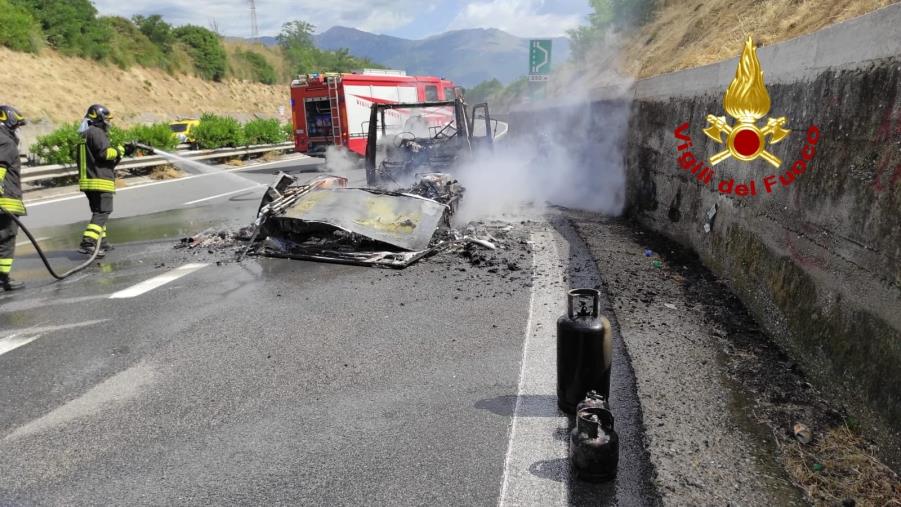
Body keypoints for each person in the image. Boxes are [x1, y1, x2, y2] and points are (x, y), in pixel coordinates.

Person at [77, 104, 133, 256]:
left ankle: (102, 242)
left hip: (88, 181)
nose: (108, 123)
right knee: (103, 211)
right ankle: (88, 242)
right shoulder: (96, 132)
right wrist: (121, 150)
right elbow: (105, 154)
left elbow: (99, 157)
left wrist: (122, 153)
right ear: (99, 118)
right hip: (99, 179)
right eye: (106, 120)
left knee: (98, 212)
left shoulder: (85, 134)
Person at [0, 104, 27, 291]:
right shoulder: (6, 143)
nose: (18, 130)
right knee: (6, 238)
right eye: (16, 126)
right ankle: (4, 279)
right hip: (6, 199)